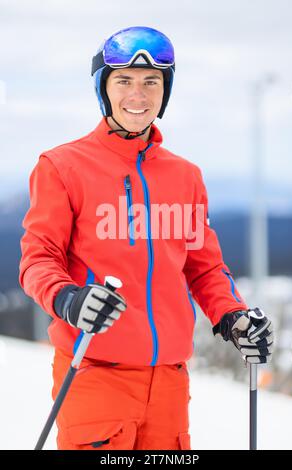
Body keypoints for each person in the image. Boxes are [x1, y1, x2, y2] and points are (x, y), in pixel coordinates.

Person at [19, 26, 273, 451]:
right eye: (124, 81)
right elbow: (37, 259)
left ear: (165, 90)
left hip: (169, 383)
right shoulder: (62, 167)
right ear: (104, 88)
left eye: (151, 82)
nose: (138, 95)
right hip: (94, 372)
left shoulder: (184, 176)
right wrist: (68, 298)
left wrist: (232, 316)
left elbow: (204, 266)